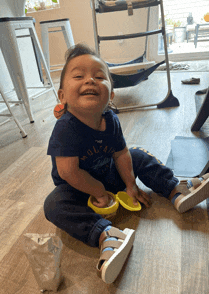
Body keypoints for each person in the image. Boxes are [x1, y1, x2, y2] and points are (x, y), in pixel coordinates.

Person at [44, 43, 209, 284]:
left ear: (110, 95)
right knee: (54, 204)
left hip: (109, 174)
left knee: (136, 154)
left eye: (99, 76)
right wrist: (98, 192)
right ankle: (106, 235)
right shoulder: (65, 129)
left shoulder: (110, 120)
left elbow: (120, 154)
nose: (90, 80)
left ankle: (175, 190)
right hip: (78, 189)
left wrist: (130, 185)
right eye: (79, 76)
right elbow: (68, 172)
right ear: (62, 97)